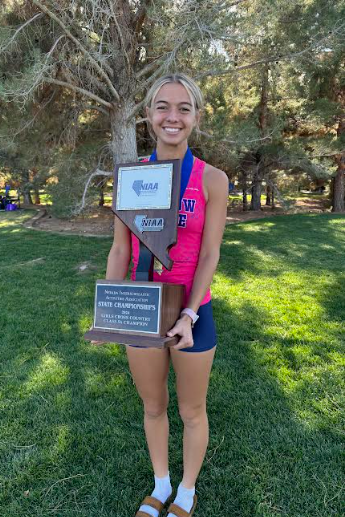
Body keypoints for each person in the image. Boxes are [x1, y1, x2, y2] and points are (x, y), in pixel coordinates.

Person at [94, 73, 229, 517]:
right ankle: (160, 485)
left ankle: (186, 492)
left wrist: (190, 313)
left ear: (195, 117)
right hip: (141, 312)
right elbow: (120, 247)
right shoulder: (131, 176)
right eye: (163, 107)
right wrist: (109, 312)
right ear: (149, 116)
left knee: (192, 409)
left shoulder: (212, 179)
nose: (173, 117)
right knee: (153, 405)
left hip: (193, 313)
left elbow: (210, 254)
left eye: (184, 108)